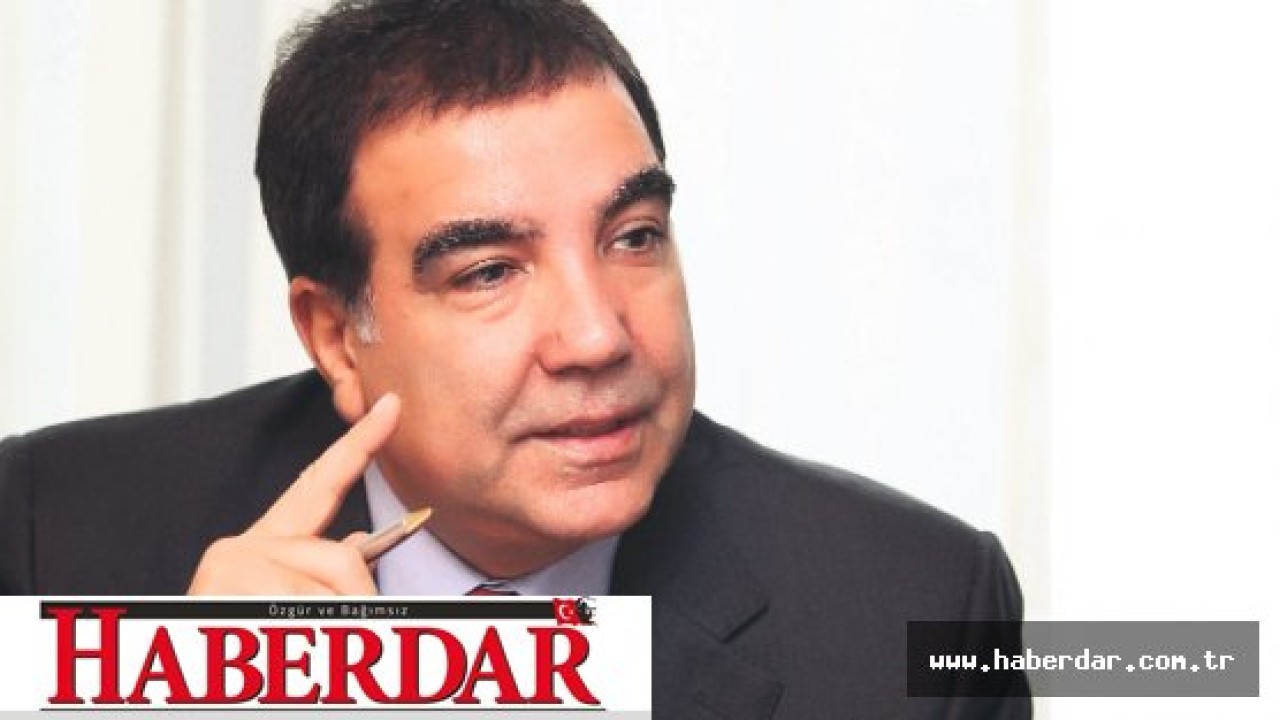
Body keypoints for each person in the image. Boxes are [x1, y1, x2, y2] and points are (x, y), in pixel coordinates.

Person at [0, 0, 1029, 716]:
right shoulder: (51, 537)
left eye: (633, 237)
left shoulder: (915, 607)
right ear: (334, 336)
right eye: (489, 271)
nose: (597, 337)